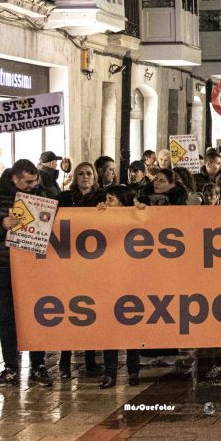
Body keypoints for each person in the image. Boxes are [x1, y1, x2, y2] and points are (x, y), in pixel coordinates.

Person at [0, 160, 55, 388]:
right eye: (27, 182)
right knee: (7, 316)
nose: (32, 186)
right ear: (14, 178)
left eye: (35, 181)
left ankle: (38, 365)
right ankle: (11, 367)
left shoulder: (42, 195)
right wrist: (2, 225)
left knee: (37, 314)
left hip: (35, 266)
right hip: (2, 266)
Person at [56, 162, 107, 378]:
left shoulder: (102, 198)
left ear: (94, 177)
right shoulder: (64, 198)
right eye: (81, 174)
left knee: (90, 311)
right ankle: (64, 361)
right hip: (69, 261)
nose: (85, 177)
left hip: (94, 262)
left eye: (89, 174)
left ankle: (90, 360)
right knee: (70, 311)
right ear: (75, 178)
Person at [96, 185, 144, 388]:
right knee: (110, 326)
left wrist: (141, 211)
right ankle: (110, 372)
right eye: (106, 199)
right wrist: (96, 213)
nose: (106, 203)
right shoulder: (102, 217)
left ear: (123, 203)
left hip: (131, 278)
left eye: (111, 199)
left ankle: (133, 370)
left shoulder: (136, 217)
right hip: (108, 279)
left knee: (132, 323)